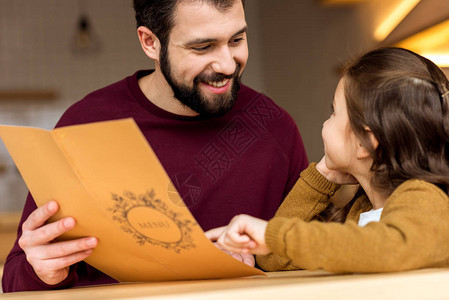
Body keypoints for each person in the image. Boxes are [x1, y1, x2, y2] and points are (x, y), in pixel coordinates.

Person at [2, 0, 309, 293]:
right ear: (150, 42)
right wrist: (40, 271)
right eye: (203, 46)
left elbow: (310, 259)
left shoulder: (274, 127)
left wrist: (259, 259)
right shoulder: (85, 123)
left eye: (237, 40)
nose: (227, 64)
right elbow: (15, 278)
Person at [207, 47, 449, 273]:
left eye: (334, 112)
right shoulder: (360, 210)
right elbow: (274, 259)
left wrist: (274, 235)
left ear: (366, 139)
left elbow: (385, 247)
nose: (325, 123)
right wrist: (320, 177)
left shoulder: (425, 199)